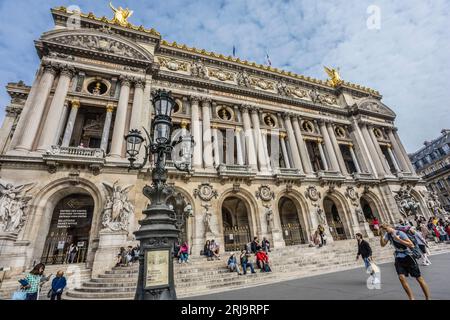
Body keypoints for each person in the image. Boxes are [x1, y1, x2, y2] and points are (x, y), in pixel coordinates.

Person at [379, 223, 430, 300]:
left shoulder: (400, 233)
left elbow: (411, 245)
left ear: (389, 226)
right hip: (399, 257)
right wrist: (381, 235)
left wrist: (398, 239)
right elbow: (383, 245)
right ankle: (411, 298)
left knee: (419, 278)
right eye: (384, 230)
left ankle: (427, 298)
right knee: (401, 277)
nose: (385, 231)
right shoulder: (388, 235)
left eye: (386, 229)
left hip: (408, 256)